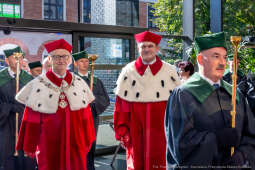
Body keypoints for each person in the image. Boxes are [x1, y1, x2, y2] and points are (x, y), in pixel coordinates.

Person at [165, 32, 255, 169]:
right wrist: (216, 139)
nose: (222, 62)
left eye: (224, 57)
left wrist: (242, 156)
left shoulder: (235, 95)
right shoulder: (184, 95)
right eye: (216, 56)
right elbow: (181, 145)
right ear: (200, 59)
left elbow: (251, 136)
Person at [15, 39, 96, 170]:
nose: (61, 60)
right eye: (56, 56)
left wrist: (87, 136)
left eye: (64, 56)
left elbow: (86, 115)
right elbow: (31, 119)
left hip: (76, 141)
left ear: (69, 59)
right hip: (48, 143)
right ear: (50, 59)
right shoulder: (38, 84)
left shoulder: (79, 83)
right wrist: (29, 145)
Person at [113, 31, 181, 170]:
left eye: (150, 46)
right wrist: (122, 130)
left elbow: (177, 105)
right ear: (138, 49)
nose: (147, 49)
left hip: (162, 131)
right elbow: (121, 105)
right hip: (135, 130)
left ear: (157, 49)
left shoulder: (169, 71)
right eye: (143, 46)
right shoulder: (128, 71)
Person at [73, 50, 110, 170]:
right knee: (77, 144)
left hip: (92, 117)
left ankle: (90, 167)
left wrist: (93, 100)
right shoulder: (71, 80)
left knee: (90, 144)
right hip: (76, 118)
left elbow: (105, 99)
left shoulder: (96, 80)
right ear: (75, 64)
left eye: (86, 61)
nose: (84, 64)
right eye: (81, 61)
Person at [0, 46, 36, 170]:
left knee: (26, 160)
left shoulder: (30, 79)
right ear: (6, 60)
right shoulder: (1, 78)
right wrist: (10, 107)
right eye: (14, 58)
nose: (18, 60)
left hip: (26, 125)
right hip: (5, 127)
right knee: (7, 160)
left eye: (21, 58)